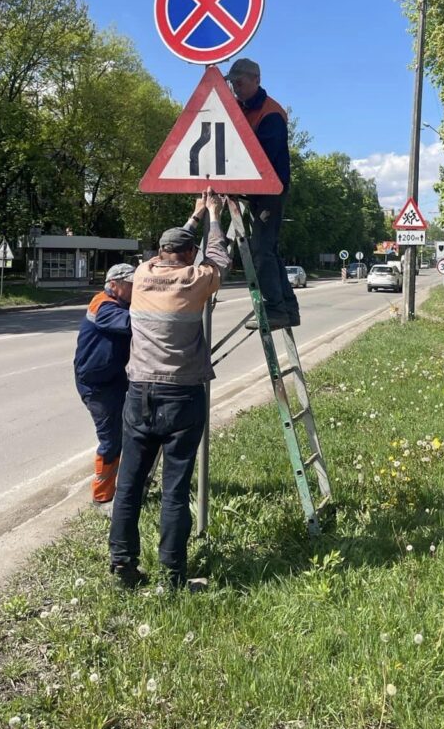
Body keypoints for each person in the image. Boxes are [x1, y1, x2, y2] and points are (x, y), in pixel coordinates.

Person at [108, 189, 230, 590]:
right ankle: (174, 576)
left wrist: (193, 217)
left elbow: (177, 246)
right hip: (182, 396)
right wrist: (213, 215)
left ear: (159, 253)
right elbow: (219, 258)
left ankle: (123, 567)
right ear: (190, 254)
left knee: (129, 485)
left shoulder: (142, 275)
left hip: (138, 392)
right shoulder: (196, 280)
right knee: (174, 490)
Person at [224, 58, 300, 330]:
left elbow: (262, 159)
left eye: (239, 83)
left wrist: (235, 180)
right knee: (268, 249)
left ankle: (274, 310)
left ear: (256, 80)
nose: (235, 88)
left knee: (260, 250)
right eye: (232, 83)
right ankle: (288, 309)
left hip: (270, 190)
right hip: (255, 190)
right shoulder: (242, 108)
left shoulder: (271, 114)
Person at [73, 262, 135, 511]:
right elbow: (131, 323)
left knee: (129, 432)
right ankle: (102, 498)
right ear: (114, 284)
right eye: (131, 284)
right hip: (96, 384)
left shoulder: (122, 303)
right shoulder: (104, 305)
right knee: (110, 439)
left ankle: (125, 487)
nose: (135, 288)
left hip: (114, 377)